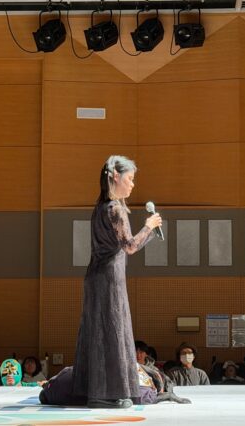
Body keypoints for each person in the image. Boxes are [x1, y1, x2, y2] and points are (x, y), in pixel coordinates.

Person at [72, 155, 162, 409]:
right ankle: (106, 394)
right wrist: (149, 226)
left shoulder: (100, 207)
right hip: (109, 278)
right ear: (115, 177)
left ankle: (92, 391)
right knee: (113, 332)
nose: (133, 184)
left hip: (96, 276)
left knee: (97, 332)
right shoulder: (115, 209)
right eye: (130, 179)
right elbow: (130, 246)